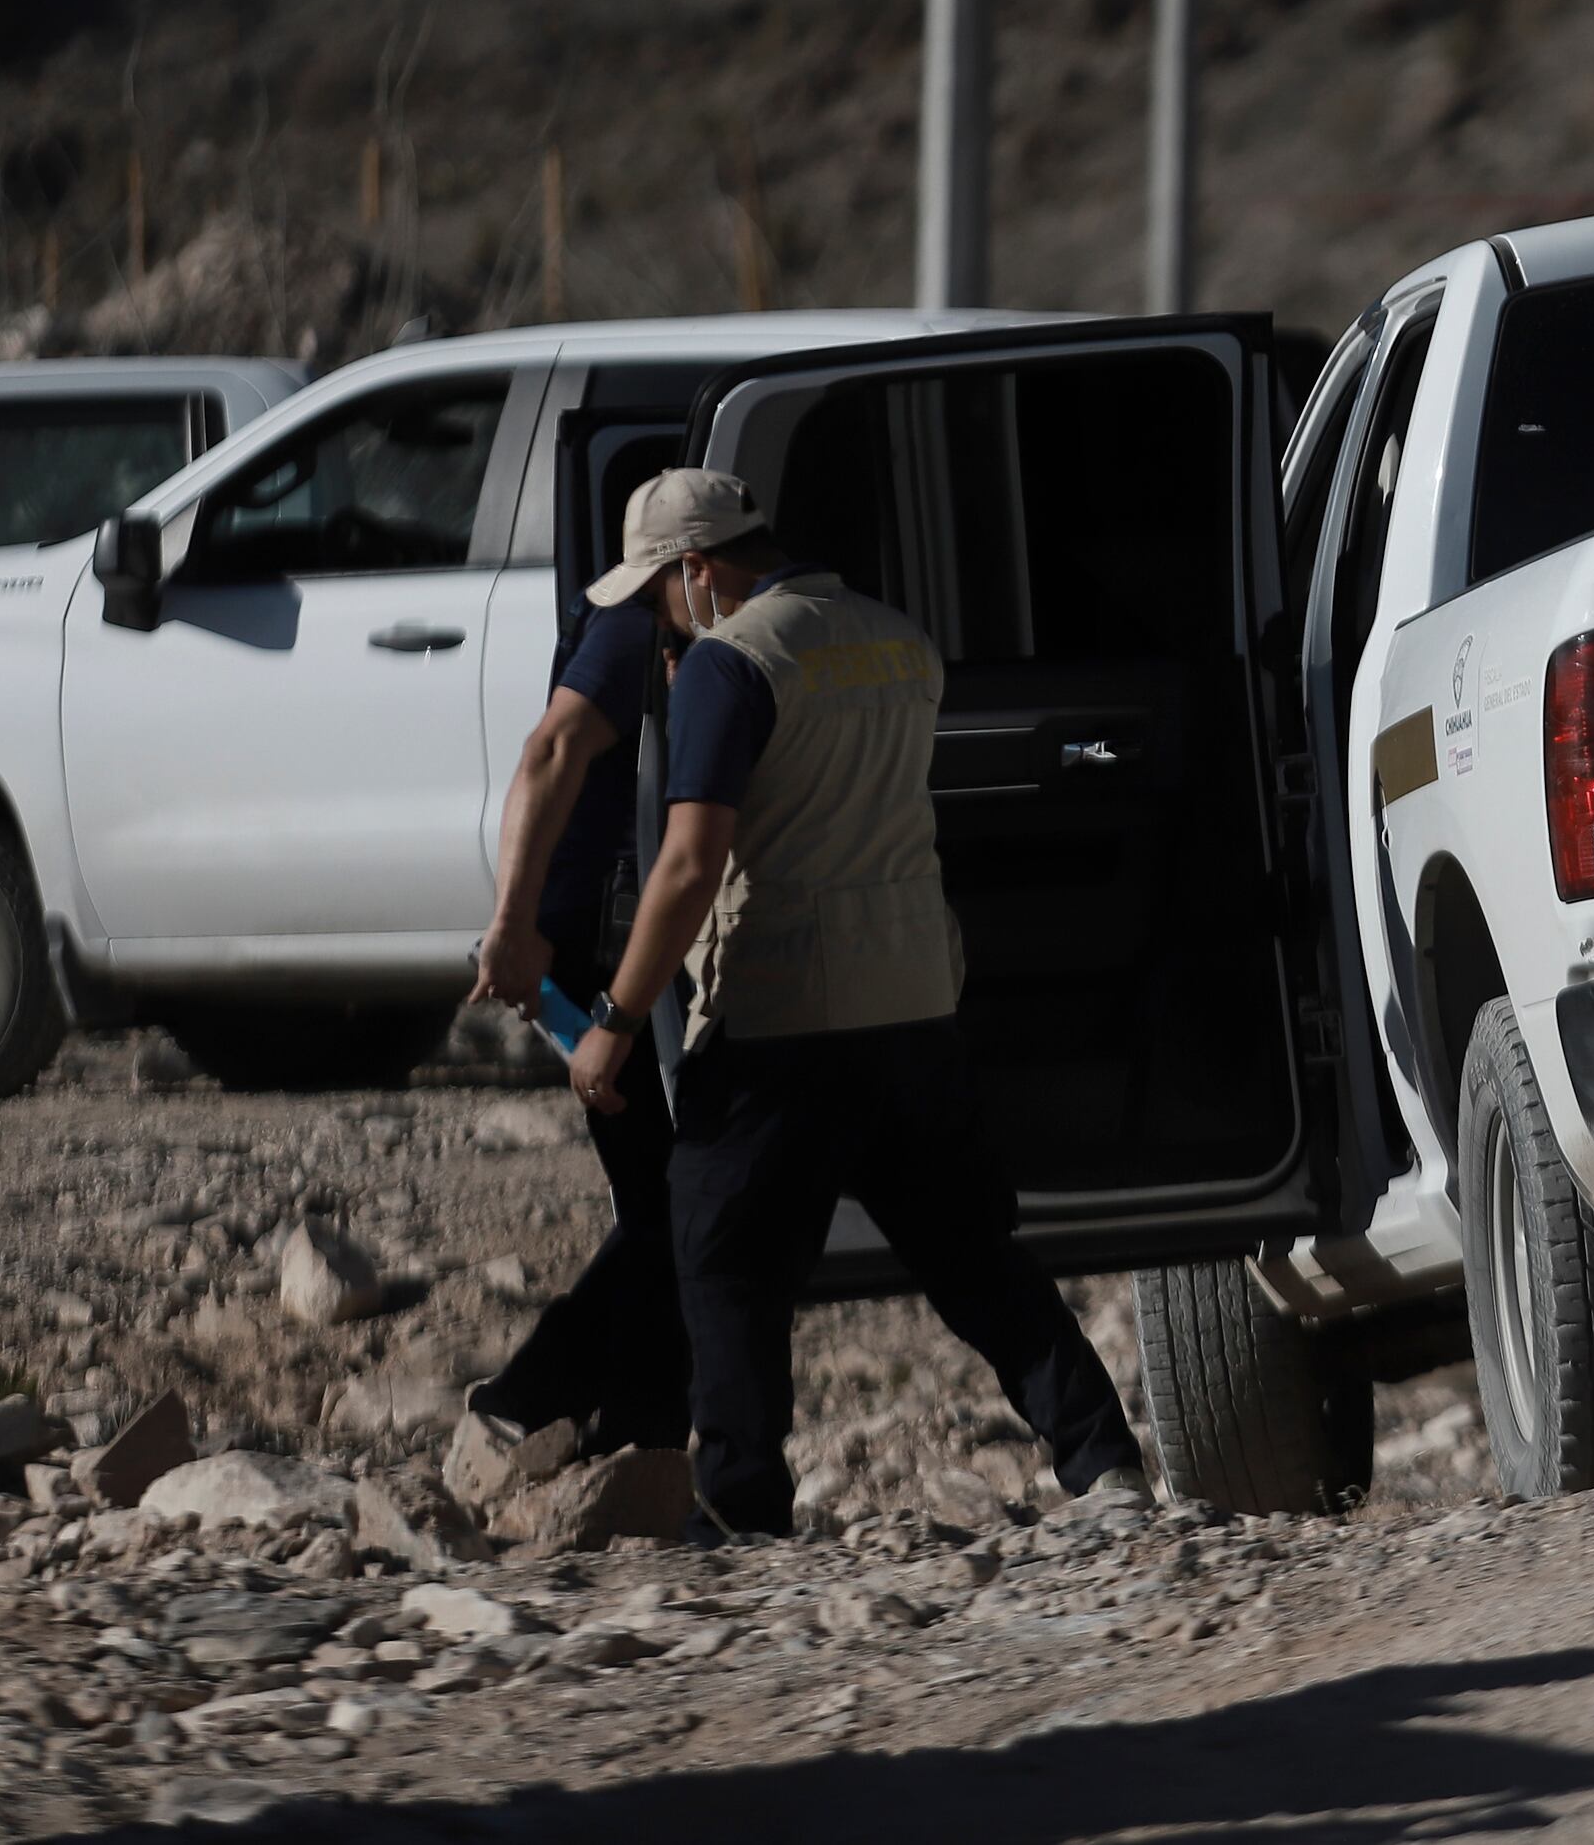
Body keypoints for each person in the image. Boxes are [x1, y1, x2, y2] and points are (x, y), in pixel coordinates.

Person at [561, 468, 1141, 1538]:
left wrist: (615, 1018)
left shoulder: (729, 666)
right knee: (977, 1261)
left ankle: (740, 1510)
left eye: (657, 595)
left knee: (723, 1255)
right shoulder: (897, 639)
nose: (657, 618)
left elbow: (690, 865)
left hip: (786, 1011)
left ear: (698, 570)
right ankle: (1105, 1465)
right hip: (915, 1000)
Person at [460, 530, 692, 1457]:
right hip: (598, 941)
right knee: (678, 1205)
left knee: (664, 1203)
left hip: (598, 935)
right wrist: (512, 926)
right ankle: (536, 1393)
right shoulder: (635, 627)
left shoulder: (653, 622)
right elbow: (550, 750)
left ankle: (636, 1438)